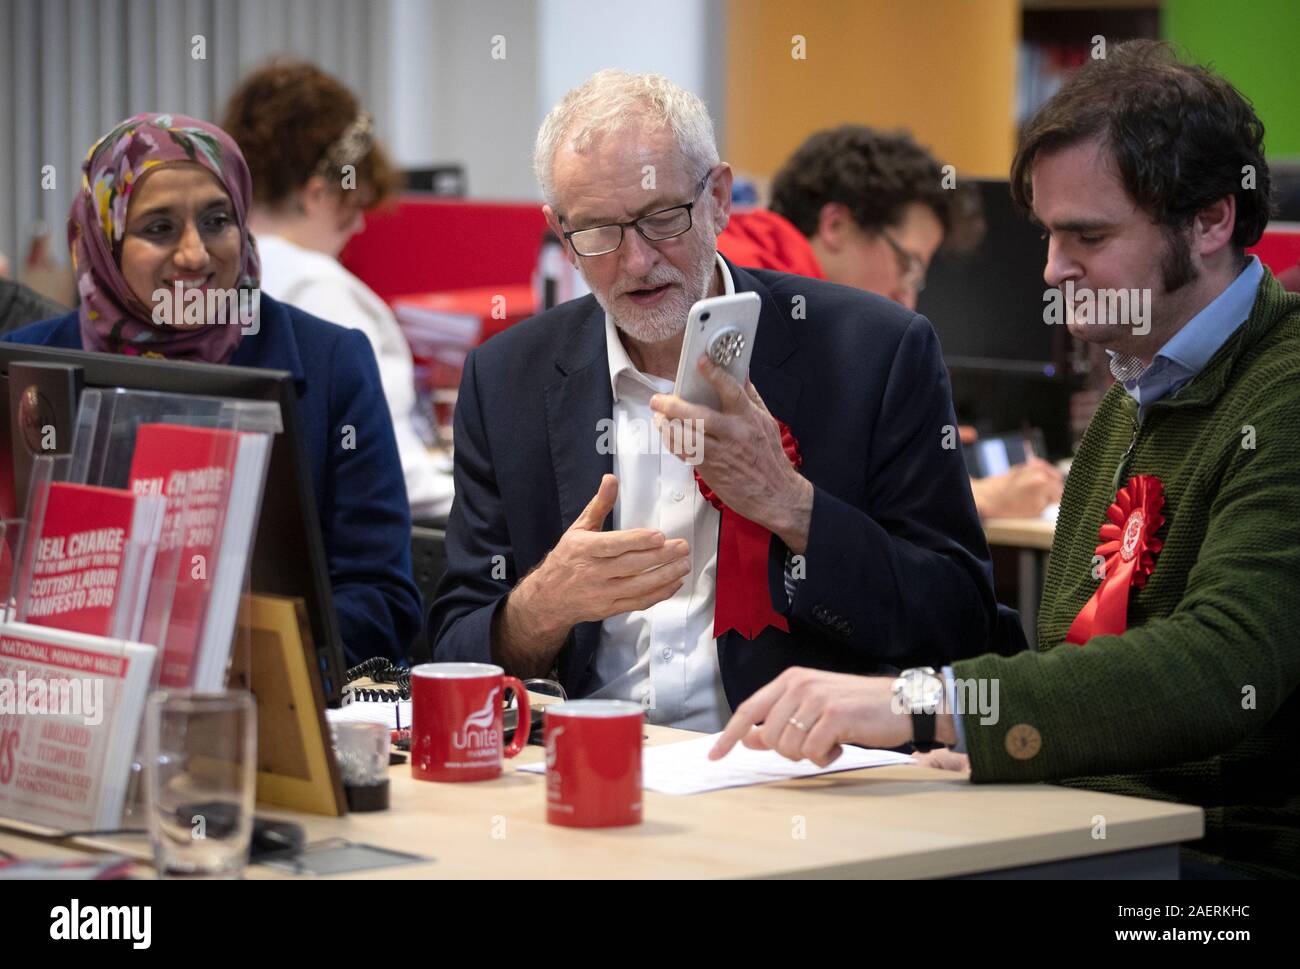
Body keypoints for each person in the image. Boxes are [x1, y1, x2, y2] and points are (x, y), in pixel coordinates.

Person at [711, 41, 1300, 879]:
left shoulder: (1281, 385)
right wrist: (987, 741)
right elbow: (1074, 663)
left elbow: (1222, 662)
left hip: (1220, 873)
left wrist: (930, 705)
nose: (1055, 270)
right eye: (1051, 234)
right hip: (1094, 830)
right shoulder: (1136, 392)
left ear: (1211, 219)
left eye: (1088, 235)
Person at [428, 70, 999, 732]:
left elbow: (960, 622)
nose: (637, 260)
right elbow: (452, 646)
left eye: (662, 218)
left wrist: (793, 506)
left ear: (720, 199)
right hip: (586, 765)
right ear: (561, 234)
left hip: (795, 775)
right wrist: (543, 606)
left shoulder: (875, 352)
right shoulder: (506, 379)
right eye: (598, 231)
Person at [2, 113, 422, 665]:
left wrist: (239, 661)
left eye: (217, 220)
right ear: (103, 241)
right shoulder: (27, 367)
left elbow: (382, 599)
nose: (195, 255)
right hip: (71, 693)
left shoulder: (330, 362)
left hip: (266, 702)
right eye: (159, 228)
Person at [719, 126, 1064, 520]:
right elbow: (800, 484)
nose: (908, 297)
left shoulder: (748, 261)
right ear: (835, 225)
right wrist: (975, 497)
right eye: (907, 266)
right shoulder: (750, 300)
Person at [221, 60, 454, 523]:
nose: (361, 223)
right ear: (317, 193)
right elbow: (396, 478)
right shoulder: (322, 290)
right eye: (355, 204)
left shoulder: (215, 274)